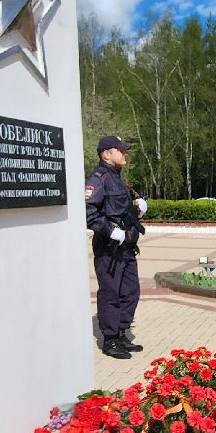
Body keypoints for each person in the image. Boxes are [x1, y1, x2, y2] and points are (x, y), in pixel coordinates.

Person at [85, 135, 146, 359]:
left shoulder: (118, 178)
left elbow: (119, 211)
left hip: (126, 246)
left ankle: (121, 333)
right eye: (120, 150)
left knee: (130, 291)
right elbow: (89, 212)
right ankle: (110, 339)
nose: (124, 153)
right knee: (110, 292)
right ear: (106, 154)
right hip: (108, 247)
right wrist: (110, 231)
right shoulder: (98, 179)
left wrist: (138, 211)